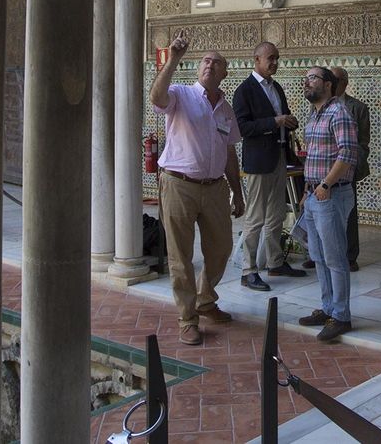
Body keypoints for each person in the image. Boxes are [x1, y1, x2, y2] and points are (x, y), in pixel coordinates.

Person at [149, 35, 247, 346]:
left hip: (215, 187)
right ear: (199, 68)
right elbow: (156, 97)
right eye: (205, 60)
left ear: (224, 73)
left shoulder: (226, 110)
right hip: (178, 184)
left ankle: (206, 301)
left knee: (220, 249)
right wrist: (174, 59)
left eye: (216, 62)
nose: (210, 64)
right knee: (180, 255)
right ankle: (187, 318)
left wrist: (237, 190)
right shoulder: (180, 95)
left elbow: (230, 151)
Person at [232, 42, 306, 292]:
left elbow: (282, 117)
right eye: (270, 58)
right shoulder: (245, 91)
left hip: (279, 158)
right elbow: (242, 128)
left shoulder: (277, 88)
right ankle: (248, 270)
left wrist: (289, 122)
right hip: (259, 162)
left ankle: (275, 262)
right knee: (255, 217)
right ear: (257, 59)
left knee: (276, 214)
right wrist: (274, 121)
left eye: (277, 58)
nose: (275, 62)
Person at [293, 66, 359, 342]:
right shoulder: (315, 115)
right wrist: (309, 189)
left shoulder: (339, 112)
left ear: (329, 85)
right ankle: (328, 307)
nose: (307, 83)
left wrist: (325, 184)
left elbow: (348, 154)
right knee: (319, 257)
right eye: (306, 79)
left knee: (335, 258)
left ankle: (341, 315)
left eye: (312, 79)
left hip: (331, 194)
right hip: (314, 195)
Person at [332, 66, 370, 272]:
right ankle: (318, 252)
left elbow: (363, 143)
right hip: (325, 169)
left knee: (349, 211)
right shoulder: (320, 105)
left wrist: (353, 163)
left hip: (347, 167)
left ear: (345, 83)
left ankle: (350, 256)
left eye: (336, 79)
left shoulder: (358, 108)